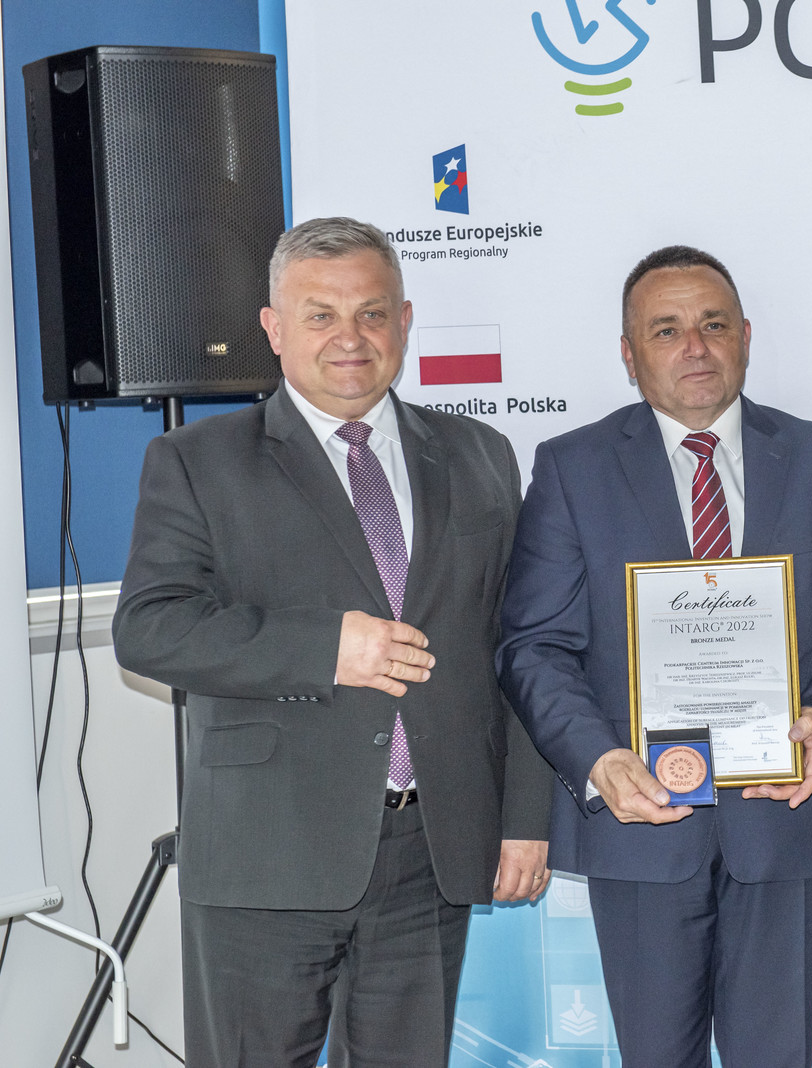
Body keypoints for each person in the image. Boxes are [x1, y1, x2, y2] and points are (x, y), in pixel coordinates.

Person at [112, 217, 553, 1067]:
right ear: (274, 328)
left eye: (372, 313)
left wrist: (525, 819)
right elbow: (148, 626)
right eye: (320, 315)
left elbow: (519, 645)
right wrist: (324, 648)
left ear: (404, 322)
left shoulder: (481, 454)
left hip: (431, 854)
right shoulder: (197, 460)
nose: (350, 337)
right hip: (265, 857)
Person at [496, 245, 812, 1067]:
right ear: (629, 355)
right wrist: (598, 761)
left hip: (781, 818)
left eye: (713, 325)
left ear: (745, 337)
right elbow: (534, 645)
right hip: (639, 825)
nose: (694, 346)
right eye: (666, 330)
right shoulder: (572, 469)